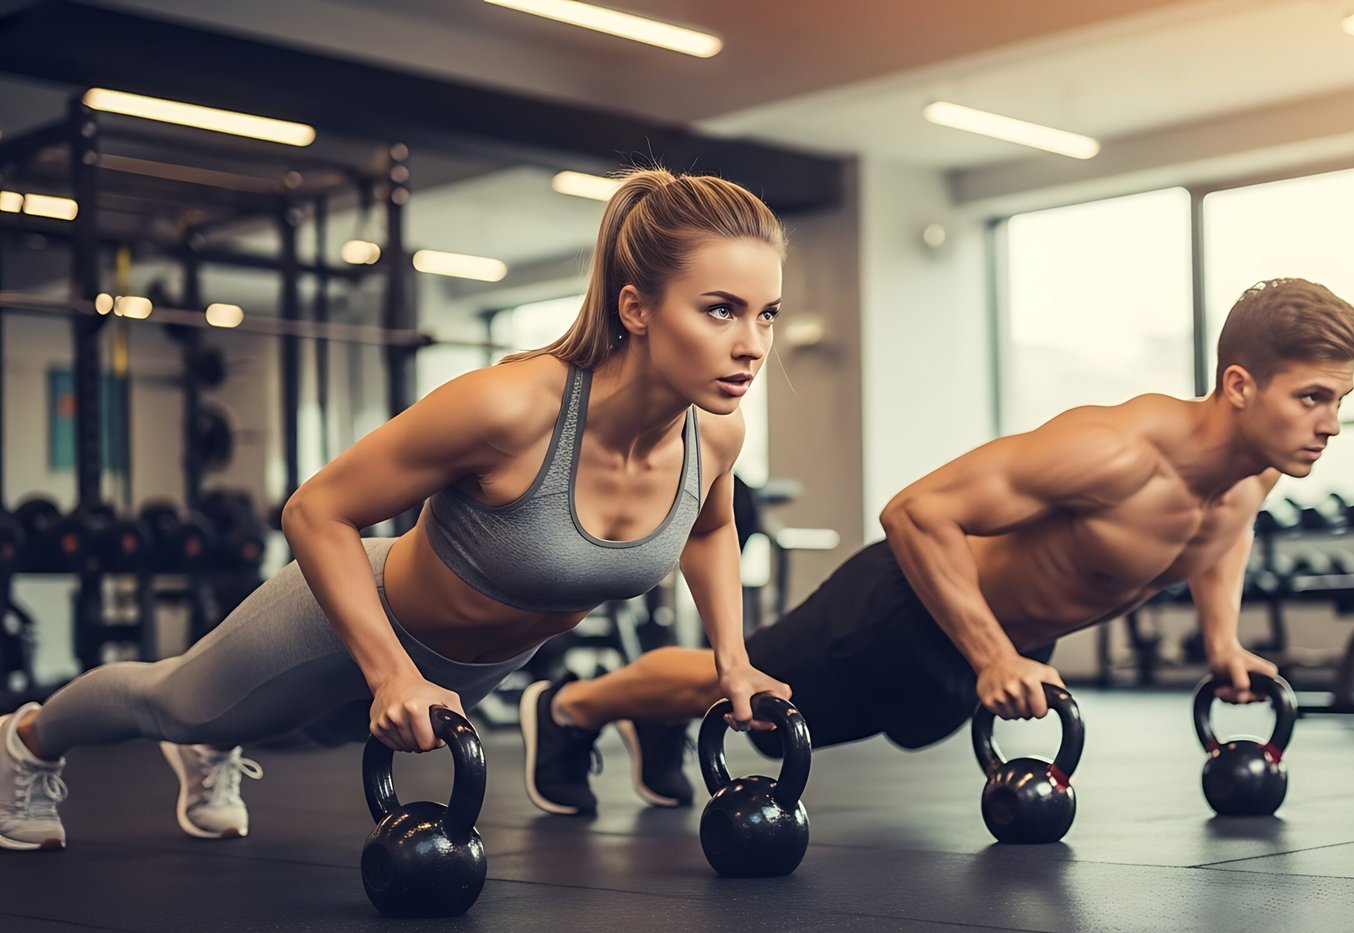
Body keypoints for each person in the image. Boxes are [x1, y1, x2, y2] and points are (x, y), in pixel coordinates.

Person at [0, 167, 790, 850]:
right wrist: (389, 672)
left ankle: (219, 741)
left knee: (297, 729)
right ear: (636, 308)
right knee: (175, 704)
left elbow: (712, 529)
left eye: (767, 314)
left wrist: (732, 658)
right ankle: (28, 742)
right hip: (347, 619)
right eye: (720, 309)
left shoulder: (715, 432)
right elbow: (316, 511)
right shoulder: (510, 409)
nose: (752, 344)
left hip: (465, 672)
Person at [523, 278, 1354, 813]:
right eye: (1312, 399)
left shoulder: (1254, 471)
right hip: (908, 607)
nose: (1330, 425)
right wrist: (992, 654)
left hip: (993, 649)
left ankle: (647, 720)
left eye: (1337, 401)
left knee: (779, 725)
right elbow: (915, 511)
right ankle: (571, 708)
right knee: (758, 702)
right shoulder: (1116, 451)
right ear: (1239, 384)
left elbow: (1219, 537)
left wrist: (1222, 643)